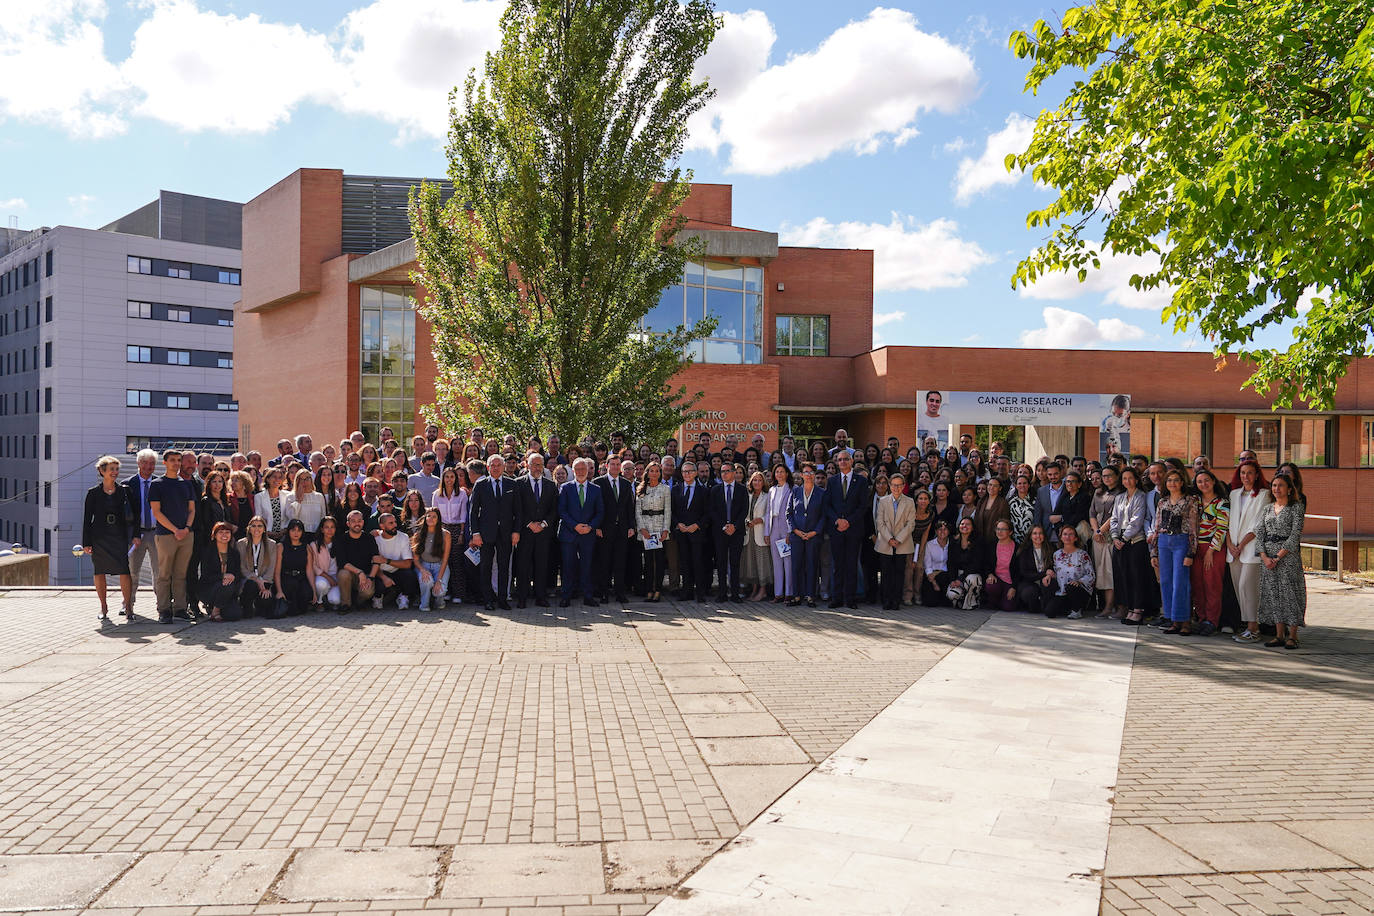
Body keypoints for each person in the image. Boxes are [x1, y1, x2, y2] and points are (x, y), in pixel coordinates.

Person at [83, 455, 134, 623]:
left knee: (124, 571)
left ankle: (128, 607)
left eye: (116, 469)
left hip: (119, 536)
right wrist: (86, 542)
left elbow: (135, 514)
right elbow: (87, 519)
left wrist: (135, 536)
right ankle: (103, 607)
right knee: (99, 571)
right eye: (111, 469)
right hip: (99, 537)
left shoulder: (124, 490)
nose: (115, 472)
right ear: (102, 471)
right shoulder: (93, 493)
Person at [1258, 474, 1306, 649]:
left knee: (1290, 594)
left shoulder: (1296, 508)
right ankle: (1279, 635)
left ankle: (1292, 636)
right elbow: (1259, 533)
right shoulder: (1267, 509)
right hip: (1268, 557)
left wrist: (1278, 556)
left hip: (1287, 557)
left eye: (1281, 485)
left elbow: (1295, 535)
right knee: (1273, 595)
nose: (1277, 488)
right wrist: (1264, 556)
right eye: (1274, 485)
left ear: (1289, 489)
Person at [148, 449, 197, 624]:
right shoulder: (157, 484)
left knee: (181, 574)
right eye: (172, 460)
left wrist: (186, 528)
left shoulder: (186, 484)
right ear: (165, 462)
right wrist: (175, 530)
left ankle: (180, 609)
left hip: (186, 535)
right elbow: (156, 512)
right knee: (164, 574)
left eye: (178, 460)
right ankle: (164, 610)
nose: (176, 463)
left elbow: (192, 510)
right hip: (166, 535)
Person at [1149, 468, 1200, 634]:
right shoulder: (1162, 502)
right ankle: (1173, 620)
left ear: (1182, 482)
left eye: (1176, 480)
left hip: (1181, 541)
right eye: (1169, 480)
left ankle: (1185, 621)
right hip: (1164, 543)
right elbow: (1157, 527)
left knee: (1181, 583)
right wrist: (1154, 552)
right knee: (1165, 582)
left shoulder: (1190, 501)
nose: (1172, 483)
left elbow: (1194, 528)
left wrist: (1191, 552)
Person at [1227, 460, 1271, 643]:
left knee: (1248, 587)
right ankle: (1248, 627)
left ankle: (1254, 628)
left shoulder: (1264, 495)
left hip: (1251, 547)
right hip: (1233, 549)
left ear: (1257, 475)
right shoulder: (1234, 494)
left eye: (1250, 473)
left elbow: (1258, 524)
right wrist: (1230, 544)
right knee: (1239, 588)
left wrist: (1241, 545)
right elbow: (1227, 521)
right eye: (1243, 473)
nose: (1246, 476)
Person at [469, 454, 521, 611]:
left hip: (506, 533)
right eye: (493, 465)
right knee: (485, 567)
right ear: (488, 467)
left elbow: (518, 512)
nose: (496, 468)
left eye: (499, 465)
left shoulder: (512, 484)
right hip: (486, 534)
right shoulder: (480, 485)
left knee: (504, 567)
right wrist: (475, 533)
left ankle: (502, 599)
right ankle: (488, 600)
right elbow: (473, 512)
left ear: (504, 467)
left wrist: (516, 531)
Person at [824, 451, 868, 609]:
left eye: (845, 459)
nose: (842, 462)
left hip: (853, 529)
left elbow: (863, 506)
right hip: (836, 529)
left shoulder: (861, 481)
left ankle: (850, 599)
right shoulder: (832, 481)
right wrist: (837, 520)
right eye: (839, 460)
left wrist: (848, 521)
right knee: (837, 565)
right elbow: (827, 505)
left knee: (851, 565)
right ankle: (836, 598)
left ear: (851, 461)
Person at [558, 457, 603, 607]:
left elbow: (600, 512)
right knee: (568, 566)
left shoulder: (596, 489)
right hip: (569, 533)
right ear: (573, 471)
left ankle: (588, 596)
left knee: (587, 566)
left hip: (588, 534)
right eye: (577, 469)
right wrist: (575, 526)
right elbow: (562, 511)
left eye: (583, 469)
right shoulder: (566, 488)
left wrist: (590, 527)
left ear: (588, 470)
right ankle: (566, 596)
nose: (581, 472)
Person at [514, 453, 557, 608]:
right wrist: (529, 523)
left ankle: (541, 597)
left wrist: (544, 524)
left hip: (544, 533)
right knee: (523, 566)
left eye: (540, 465)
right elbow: (517, 508)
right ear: (528, 465)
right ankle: (522, 598)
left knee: (541, 565)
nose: (537, 467)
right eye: (534, 464)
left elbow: (554, 510)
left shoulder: (550, 485)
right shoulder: (518, 483)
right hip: (525, 532)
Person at [1190, 469, 1229, 636]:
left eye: (1206, 480)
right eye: (1199, 481)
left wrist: (1210, 551)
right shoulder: (1194, 501)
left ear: (1213, 481)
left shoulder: (1222, 503)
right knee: (1197, 585)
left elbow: (1222, 529)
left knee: (1212, 585)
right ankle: (1201, 618)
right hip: (1194, 548)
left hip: (1213, 549)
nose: (1203, 484)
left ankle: (1212, 620)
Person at [1110, 467, 1152, 626]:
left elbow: (1137, 520)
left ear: (1136, 479)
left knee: (1136, 577)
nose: (1127, 481)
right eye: (1124, 478)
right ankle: (1129, 608)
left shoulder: (1142, 496)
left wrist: (1124, 538)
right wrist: (1115, 537)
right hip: (1119, 541)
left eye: (1130, 478)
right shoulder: (1119, 497)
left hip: (1135, 541)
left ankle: (1138, 610)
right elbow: (1114, 518)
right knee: (1123, 577)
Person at [594, 456, 636, 604]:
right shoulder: (598, 482)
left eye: (618, 464)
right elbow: (595, 507)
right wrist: (597, 526)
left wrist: (631, 526)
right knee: (604, 562)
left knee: (620, 562)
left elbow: (630, 507)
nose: (616, 467)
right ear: (607, 465)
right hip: (604, 529)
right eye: (613, 464)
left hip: (622, 529)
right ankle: (603, 592)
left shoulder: (625, 483)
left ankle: (620, 593)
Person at [873, 474, 916, 611]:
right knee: (886, 573)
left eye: (899, 485)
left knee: (899, 573)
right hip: (886, 543)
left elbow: (910, 524)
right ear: (890, 486)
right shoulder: (883, 501)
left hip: (902, 543)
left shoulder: (909, 502)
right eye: (894, 485)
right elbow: (879, 522)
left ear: (903, 486)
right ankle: (886, 600)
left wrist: (898, 539)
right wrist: (889, 539)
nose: (896, 488)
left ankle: (896, 601)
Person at [709, 462, 749, 602]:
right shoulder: (715, 490)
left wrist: (735, 526)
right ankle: (722, 593)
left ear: (733, 472)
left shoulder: (742, 489)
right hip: (720, 532)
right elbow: (712, 511)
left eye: (727, 471)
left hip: (736, 532)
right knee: (721, 563)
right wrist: (724, 526)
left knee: (735, 563)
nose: (724, 474)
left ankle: (735, 594)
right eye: (722, 471)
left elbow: (744, 510)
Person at [788, 464, 826, 607]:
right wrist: (795, 531)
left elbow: (824, 515)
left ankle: (810, 595)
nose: (809, 475)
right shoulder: (795, 491)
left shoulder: (821, 493)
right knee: (796, 566)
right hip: (797, 535)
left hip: (813, 535)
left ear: (814, 475)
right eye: (806, 472)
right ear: (802, 475)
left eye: (811, 472)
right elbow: (788, 513)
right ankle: (797, 595)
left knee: (811, 565)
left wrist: (814, 532)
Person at [636, 462, 673, 601]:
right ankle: (648, 589)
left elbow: (668, 511)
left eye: (657, 471)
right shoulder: (640, 488)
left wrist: (665, 530)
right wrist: (642, 528)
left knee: (659, 561)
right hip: (645, 529)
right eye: (652, 470)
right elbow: (637, 511)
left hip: (659, 528)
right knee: (647, 561)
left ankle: (657, 589)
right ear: (647, 472)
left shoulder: (665, 489)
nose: (655, 473)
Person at [433, 467, 469, 605]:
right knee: (444, 562)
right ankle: (446, 591)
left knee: (456, 562)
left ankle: (459, 593)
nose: (449, 480)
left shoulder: (461, 494)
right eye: (447, 477)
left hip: (456, 530)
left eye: (452, 477)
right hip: (441, 529)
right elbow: (434, 515)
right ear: (443, 478)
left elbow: (463, 515)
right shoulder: (437, 494)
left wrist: (461, 533)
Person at [1090, 465, 1122, 619]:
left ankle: (1111, 606)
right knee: (1099, 572)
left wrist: (1102, 530)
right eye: (1104, 476)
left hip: (1111, 536)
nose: (1106, 478)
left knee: (1109, 572)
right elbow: (1092, 513)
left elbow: (1115, 515)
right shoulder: (1098, 492)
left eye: (1110, 475)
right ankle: (1103, 605)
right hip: (1098, 538)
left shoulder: (1121, 493)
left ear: (1117, 476)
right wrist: (1097, 531)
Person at [336, 510, 381, 613]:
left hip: (365, 575)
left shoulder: (369, 538)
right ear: (348, 524)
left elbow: (376, 560)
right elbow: (342, 562)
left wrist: (371, 577)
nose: (357, 523)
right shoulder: (342, 539)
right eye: (353, 521)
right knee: (343, 573)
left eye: (359, 520)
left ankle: (359, 602)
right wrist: (359, 572)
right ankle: (345, 604)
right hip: (349, 574)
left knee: (368, 591)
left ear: (363, 522)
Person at [1046, 525, 1095, 618]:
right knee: (1049, 612)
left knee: (1071, 587)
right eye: (1064, 534)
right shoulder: (1056, 555)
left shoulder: (1082, 554)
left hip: (1078, 591)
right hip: (1062, 592)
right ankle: (1068, 608)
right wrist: (1049, 575)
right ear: (1060, 537)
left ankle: (1077, 610)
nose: (1067, 537)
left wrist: (1079, 581)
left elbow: (1091, 575)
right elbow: (1056, 572)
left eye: (1071, 534)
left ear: (1076, 538)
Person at [374, 511, 420, 609]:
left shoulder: (403, 537)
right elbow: (373, 564)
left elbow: (407, 564)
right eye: (391, 523)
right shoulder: (375, 540)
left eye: (395, 522)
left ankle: (404, 596)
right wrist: (383, 577)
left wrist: (387, 561)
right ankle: (378, 597)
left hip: (398, 570)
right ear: (382, 526)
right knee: (378, 583)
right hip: (381, 572)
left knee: (410, 575)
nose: (395, 525)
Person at [198, 522, 242, 622]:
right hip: (209, 588)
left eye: (227, 532)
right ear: (215, 535)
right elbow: (206, 575)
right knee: (226, 585)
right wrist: (223, 576)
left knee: (235, 615)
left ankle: (216, 607)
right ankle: (215, 611)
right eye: (221, 532)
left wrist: (233, 577)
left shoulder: (234, 553)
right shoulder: (208, 551)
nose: (224, 535)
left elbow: (238, 573)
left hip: (228, 590)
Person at [236, 517, 279, 618]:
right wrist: (256, 579)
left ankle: (259, 606)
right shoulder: (241, 544)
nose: (256, 528)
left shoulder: (271, 544)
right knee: (251, 585)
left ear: (264, 529)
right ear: (249, 528)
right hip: (248, 582)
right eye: (253, 526)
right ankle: (246, 606)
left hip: (264, 583)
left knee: (266, 603)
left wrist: (265, 584)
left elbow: (271, 568)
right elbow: (242, 568)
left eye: (260, 526)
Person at [765, 464, 795, 603]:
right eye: (777, 472)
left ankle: (789, 592)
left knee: (788, 561)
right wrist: (767, 532)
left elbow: (792, 512)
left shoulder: (792, 489)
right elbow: (768, 512)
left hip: (785, 527)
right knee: (776, 562)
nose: (780, 474)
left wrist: (790, 531)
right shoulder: (771, 490)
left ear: (787, 474)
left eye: (782, 471)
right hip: (773, 527)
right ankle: (778, 593)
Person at [740, 471, 772, 601]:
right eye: (754, 480)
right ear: (751, 482)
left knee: (762, 563)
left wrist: (761, 520)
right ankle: (754, 589)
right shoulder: (748, 495)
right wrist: (747, 521)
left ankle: (763, 590)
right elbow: (744, 513)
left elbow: (770, 513)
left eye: (759, 480)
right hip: (749, 533)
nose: (757, 483)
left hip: (760, 532)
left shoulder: (767, 496)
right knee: (751, 563)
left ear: (763, 482)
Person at [412, 508, 451, 611]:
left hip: (440, 565)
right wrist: (422, 570)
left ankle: (439, 602)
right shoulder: (418, 534)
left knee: (440, 590)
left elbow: (445, 559)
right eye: (429, 516)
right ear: (425, 518)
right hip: (424, 565)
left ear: (438, 519)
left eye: (434, 517)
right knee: (426, 581)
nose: (431, 519)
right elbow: (415, 559)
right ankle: (424, 604)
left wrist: (438, 580)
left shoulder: (446, 534)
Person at [274, 520, 314, 615]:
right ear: (288, 531)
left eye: (299, 530)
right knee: (292, 585)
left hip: (301, 578)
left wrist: (314, 591)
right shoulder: (281, 546)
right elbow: (277, 572)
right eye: (293, 530)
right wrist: (279, 591)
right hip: (286, 580)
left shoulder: (307, 547)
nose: (296, 533)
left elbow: (309, 570)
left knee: (307, 593)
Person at [1014, 525, 1056, 615]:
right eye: (1035, 533)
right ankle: (1035, 606)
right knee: (1029, 593)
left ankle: (1046, 606)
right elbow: (1024, 573)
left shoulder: (1051, 548)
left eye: (1040, 533)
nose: (1038, 536)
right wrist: (1044, 573)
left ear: (1044, 535)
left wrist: (1048, 575)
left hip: (1045, 580)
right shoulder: (1024, 551)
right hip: (1029, 582)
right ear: (1030, 536)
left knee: (1050, 584)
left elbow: (1053, 567)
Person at [946, 516, 984, 609]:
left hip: (971, 574)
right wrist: (953, 580)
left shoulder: (978, 542)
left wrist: (961, 579)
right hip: (957, 575)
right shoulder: (953, 542)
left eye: (968, 524)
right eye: (962, 524)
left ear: (973, 527)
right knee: (951, 595)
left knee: (972, 579)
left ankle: (973, 600)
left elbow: (976, 564)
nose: (964, 526)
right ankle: (962, 599)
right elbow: (950, 563)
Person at [982, 519, 1018, 611]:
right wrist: (990, 574)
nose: (999, 532)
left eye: (1003, 529)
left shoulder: (1017, 548)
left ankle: (1001, 600)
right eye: (998, 529)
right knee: (991, 586)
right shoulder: (992, 545)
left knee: (1008, 607)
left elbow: (1020, 570)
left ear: (1010, 532)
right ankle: (993, 600)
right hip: (997, 580)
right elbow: (986, 564)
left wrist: (1014, 587)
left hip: (1010, 582)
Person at [311, 516, 341, 610]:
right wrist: (328, 577)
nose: (330, 530)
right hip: (322, 576)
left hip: (336, 576)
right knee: (321, 585)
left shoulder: (339, 543)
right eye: (326, 527)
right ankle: (320, 601)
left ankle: (329, 599)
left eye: (332, 527)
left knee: (336, 600)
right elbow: (313, 566)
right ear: (322, 529)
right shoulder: (314, 545)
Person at [254, 467, 293, 541]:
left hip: (284, 535)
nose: (277, 480)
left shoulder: (288, 495)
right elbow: (258, 517)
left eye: (280, 478)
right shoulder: (259, 497)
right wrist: (268, 532)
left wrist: (284, 531)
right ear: (268, 479)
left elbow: (290, 516)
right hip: (266, 535)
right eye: (274, 477)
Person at [290, 469, 328, 541]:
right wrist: (299, 501)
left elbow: (323, 517)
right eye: (301, 479)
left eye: (307, 478)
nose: (304, 482)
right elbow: (292, 517)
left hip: (316, 535)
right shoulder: (291, 496)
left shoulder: (319, 496)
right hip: (299, 536)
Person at [921, 520, 952, 606]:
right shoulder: (929, 545)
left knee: (946, 603)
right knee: (930, 602)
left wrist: (938, 572)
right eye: (939, 529)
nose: (942, 531)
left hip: (945, 575)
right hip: (931, 575)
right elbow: (927, 565)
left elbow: (950, 564)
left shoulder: (952, 545)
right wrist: (934, 582)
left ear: (948, 531)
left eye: (945, 529)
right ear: (935, 531)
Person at [1034, 462, 1066, 544]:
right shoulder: (1041, 491)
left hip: (1064, 532)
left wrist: (1062, 518)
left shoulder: (1068, 488)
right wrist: (1038, 532)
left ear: (1061, 472)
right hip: (1046, 532)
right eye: (1050, 474)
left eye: (1056, 474)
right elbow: (1038, 514)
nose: (1053, 477)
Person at [1007, 475, 1036, 544]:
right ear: (1016, 486)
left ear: (1029, 485)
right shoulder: (1010, 502)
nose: (1022, 485)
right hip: (1014, 539)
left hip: (1031, 539)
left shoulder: (1035, 501)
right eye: (1019, 483)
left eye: (1024, 483)